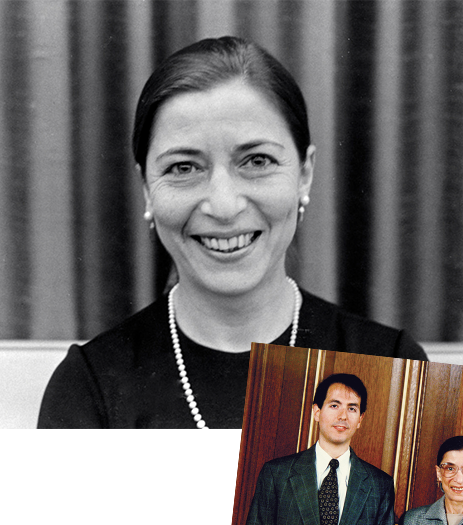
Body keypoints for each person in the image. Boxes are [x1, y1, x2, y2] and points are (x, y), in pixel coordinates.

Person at [38, 36, 427, 429]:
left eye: (257, 160)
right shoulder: (89, 388)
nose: (224, 207)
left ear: (304, 174)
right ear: (146, 189)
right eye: (184, 167)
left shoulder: (394, 365)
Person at [241, 373, 396, 525]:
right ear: (316, 411)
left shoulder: (379, 486)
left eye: (352, 408)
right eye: (334, 405)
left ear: (360, 419)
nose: (343, 416)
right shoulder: (277, 474)